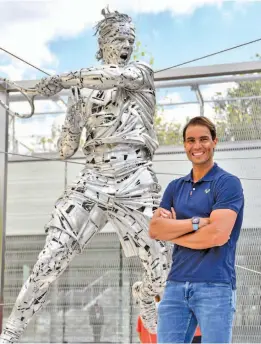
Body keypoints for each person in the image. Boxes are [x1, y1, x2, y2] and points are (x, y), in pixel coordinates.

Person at [0, 8, 171, 344]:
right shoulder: (81, 92)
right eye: (119, 39)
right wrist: (66, 120)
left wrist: (61, 80)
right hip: (93, 180)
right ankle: (10, 332)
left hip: (136, 178)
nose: (126, 45)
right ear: (104, 43)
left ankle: (146, 293)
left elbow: (113, 78)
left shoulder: (140, 73)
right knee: (51, 257)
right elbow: (67, 148)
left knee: (163, 263)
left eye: (130, 40)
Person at [149, 116, 244, 343]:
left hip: (215, 285)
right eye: (191, 140)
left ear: (214, 142)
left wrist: (173, 232)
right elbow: (154, 230)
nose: (197, 146)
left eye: (203, 139)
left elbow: (217, 235)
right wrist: (196, 223)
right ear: (185, 145)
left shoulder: (227, 183)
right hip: (175, 285)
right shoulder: (174, 187)